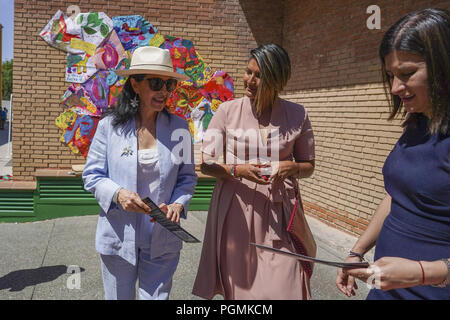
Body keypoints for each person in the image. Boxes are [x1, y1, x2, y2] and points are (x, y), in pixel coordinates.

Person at [336, 8, 450, 300]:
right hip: (385, 292)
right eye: (391, 75)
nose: (396, 87)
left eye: (408, 74)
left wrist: (423, 272)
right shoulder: (418, 124)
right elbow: (397, 194)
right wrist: (356, 251)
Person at [192, 43, 317, 300]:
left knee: (286, 283)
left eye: (258, 75)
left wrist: (292, 167)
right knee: (243, 287)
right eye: (248, 72)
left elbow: (309, 167)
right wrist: (239, 169)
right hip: (235, 207)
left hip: (280, 212)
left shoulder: (298, 114)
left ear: (277, 80)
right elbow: (205, 163)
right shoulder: (227, 111)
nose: (249, 80)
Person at [82, 46, 197, 300]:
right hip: (118, 233)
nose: (164, 91)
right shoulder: (109, 127)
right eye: (156, 83)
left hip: (163, 233)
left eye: (169, 85)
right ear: (135, 84)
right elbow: (92, 175)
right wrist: (118, 194)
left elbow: (187, 177)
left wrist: (178, 204)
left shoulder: (180, 128)